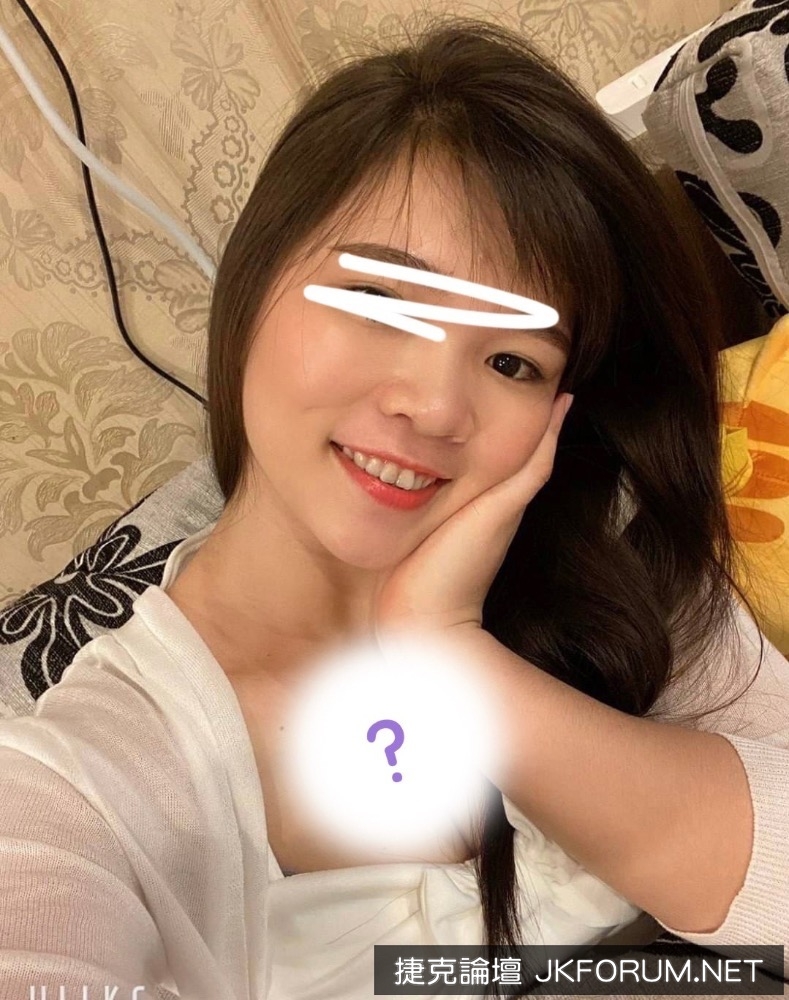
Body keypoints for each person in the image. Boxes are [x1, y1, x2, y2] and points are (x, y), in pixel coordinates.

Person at [0, 14, 787, 1000]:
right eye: (381, 303)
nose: (435, 405)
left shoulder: (616, 555)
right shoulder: (84, 780)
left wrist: (445, 653)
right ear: (252, 282)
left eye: (512, 361)